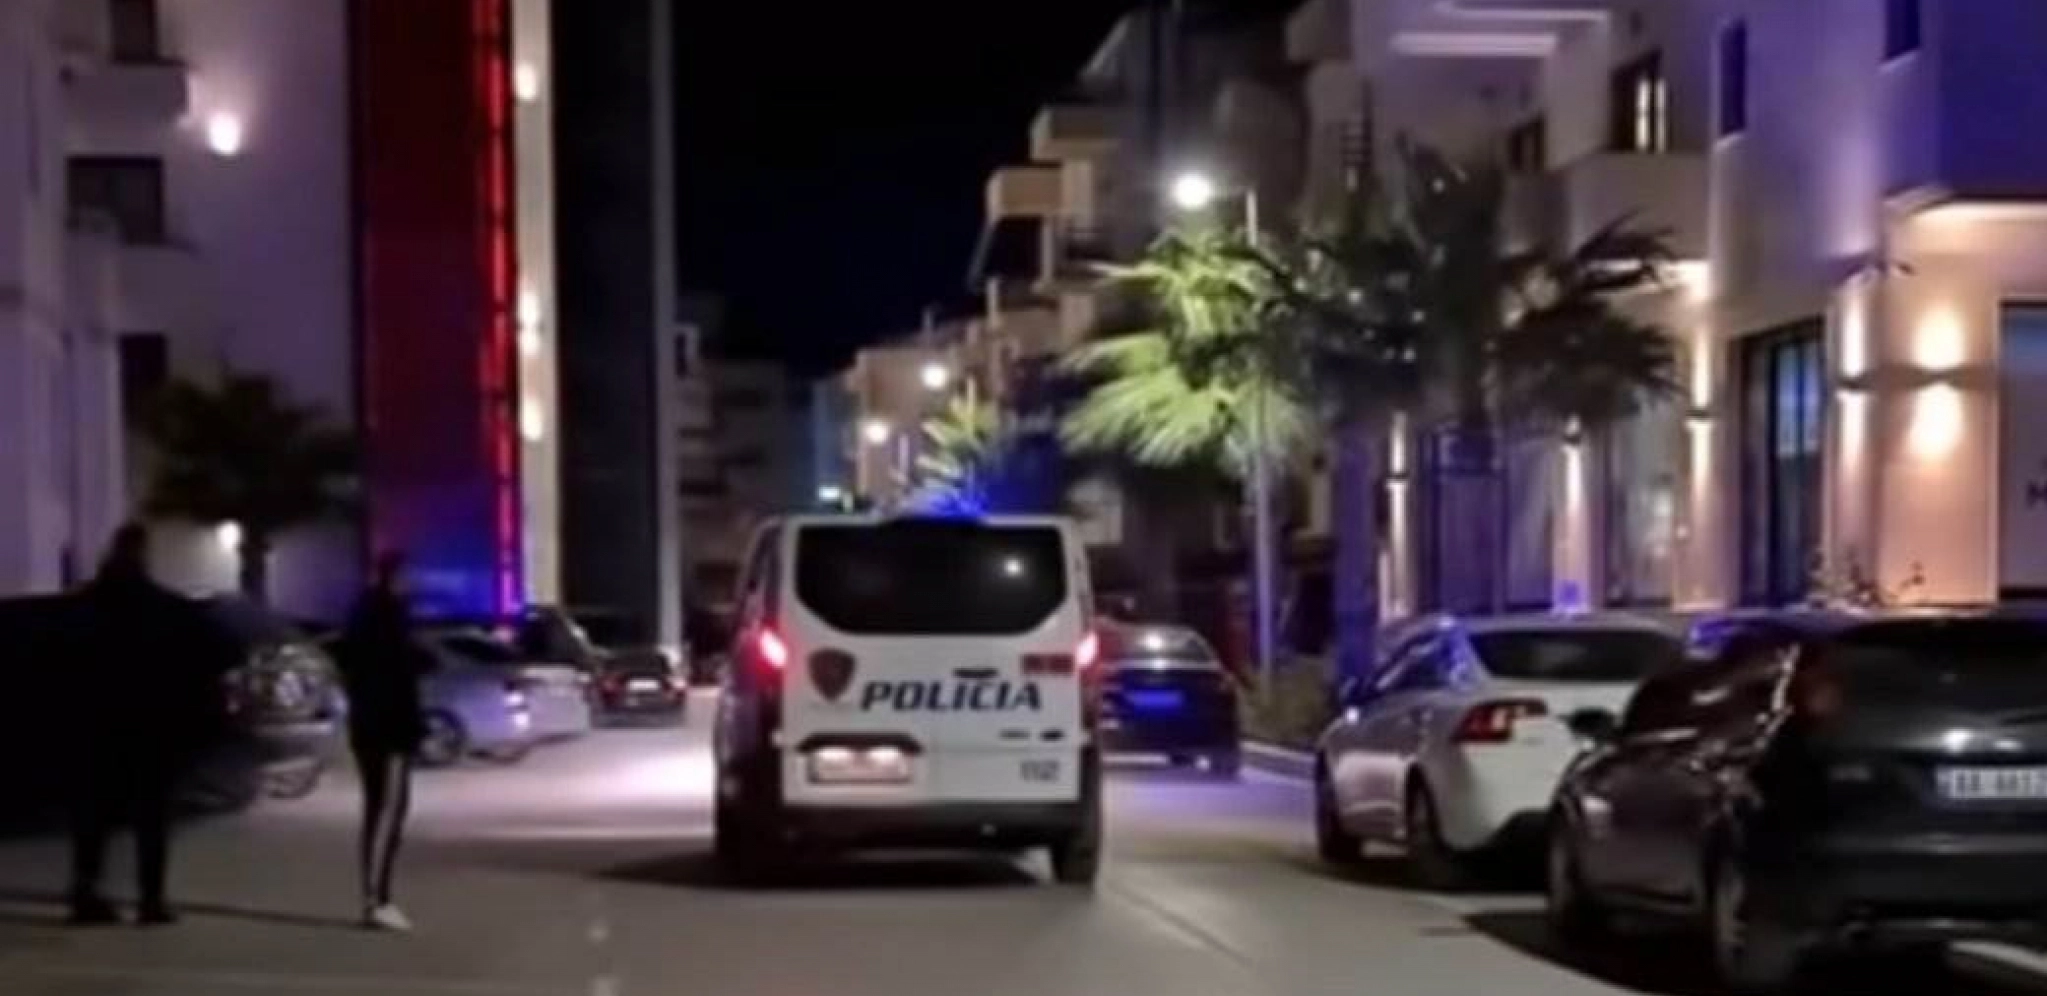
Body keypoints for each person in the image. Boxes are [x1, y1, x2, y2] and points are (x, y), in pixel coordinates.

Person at [64, 523, 232, 926]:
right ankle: (150, 899)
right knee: (151, 817)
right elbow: (213, 653)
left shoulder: (85, 607)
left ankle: (87, 891)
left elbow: (59, 664)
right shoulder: (164, 609)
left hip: (97, 725)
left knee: (93, 815)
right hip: (151, 727)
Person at [333, 550, 432, 931]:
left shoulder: (370, 615)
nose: (413, 585)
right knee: (386, 811)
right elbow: (394, 677)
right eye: (408, 577)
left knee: (384, 810)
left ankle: (377, 897)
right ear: (396, 577)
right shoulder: (384, 617)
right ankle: (376, 900)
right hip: (386, 731)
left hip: (378, 727)